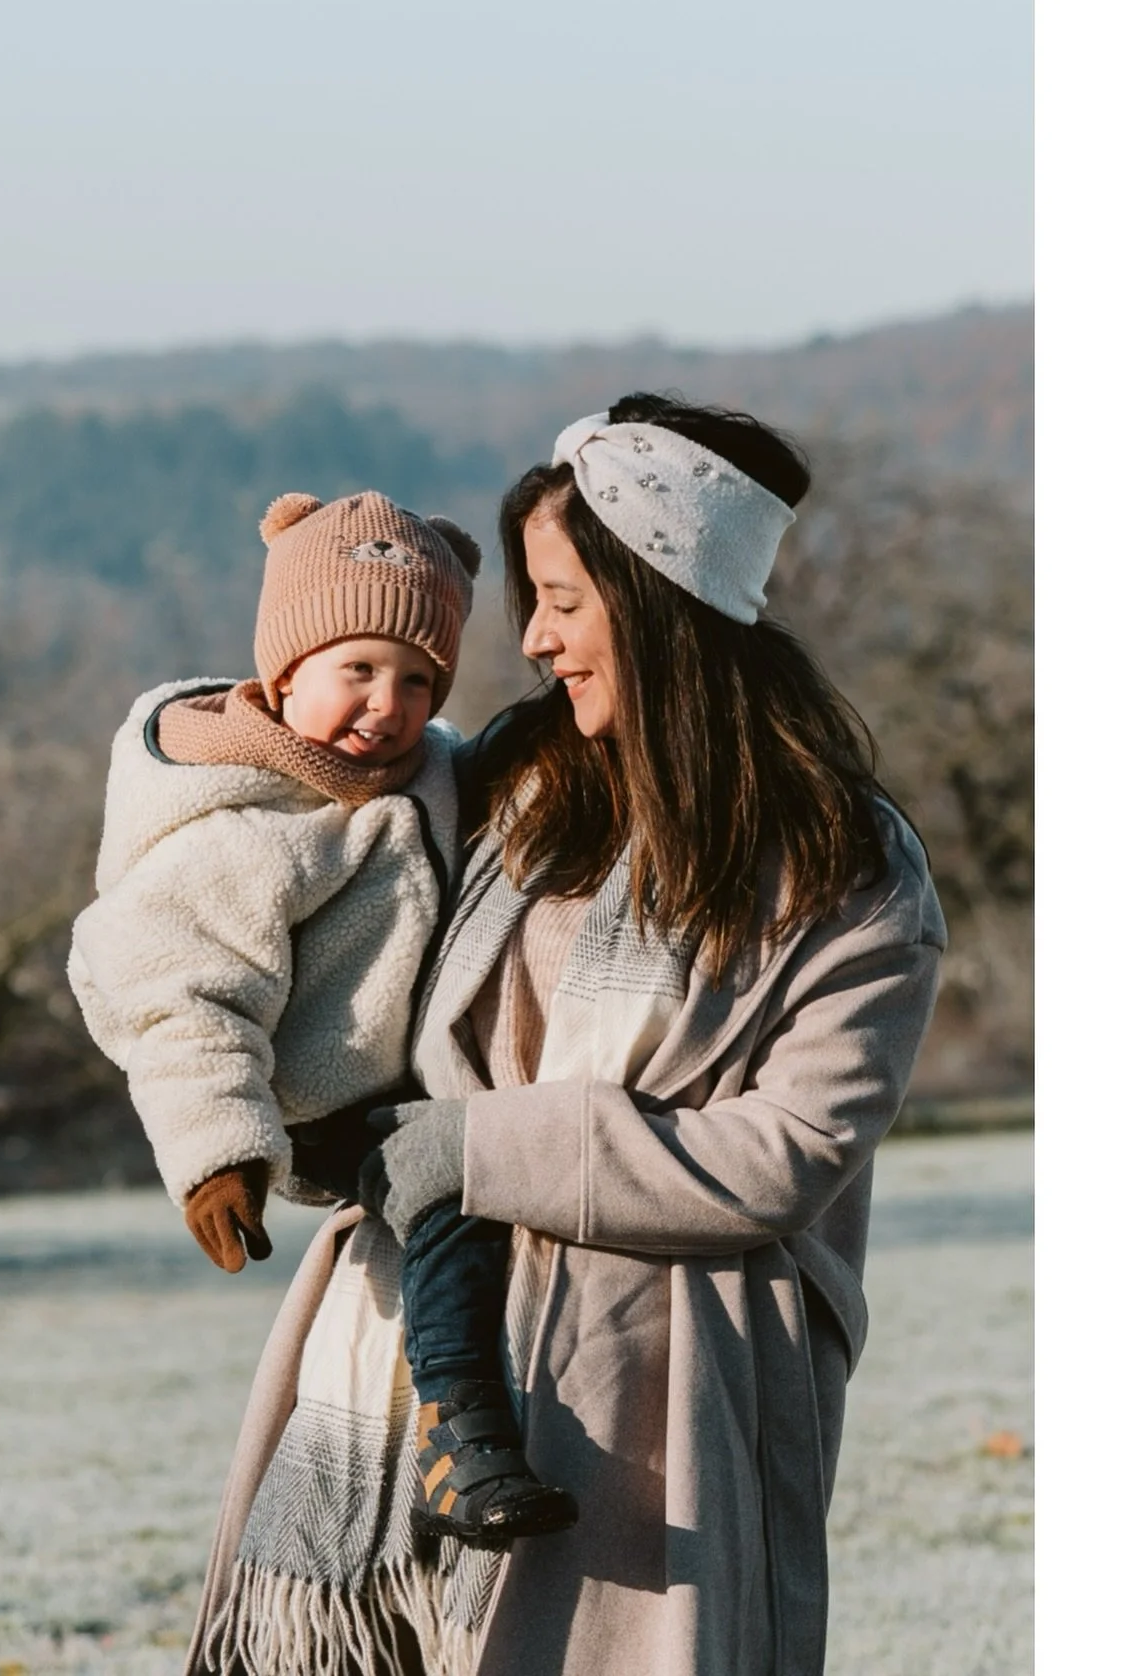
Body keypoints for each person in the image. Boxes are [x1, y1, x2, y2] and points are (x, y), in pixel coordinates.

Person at [184, 395, 946, 1676]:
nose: (533, 639)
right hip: (389, 1357)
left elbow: (791, 1149)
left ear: (662, 596)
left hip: (652, 1396)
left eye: (564, 599)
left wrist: (478, 1145)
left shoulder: (844, 864)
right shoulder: (501, 789)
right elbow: (305, 928)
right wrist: (288, 1116)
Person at [67, 485, 575, 1556]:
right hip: (295, 1107)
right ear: (286, 668)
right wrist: (220, 1155)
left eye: (418, 678)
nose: (386, 704)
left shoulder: (420, 769)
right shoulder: (245, 826)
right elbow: (177, 990)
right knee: (451, 1197)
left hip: (397, 1077)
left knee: (465, 1165)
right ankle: (460, 1432)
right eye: (357, 670)